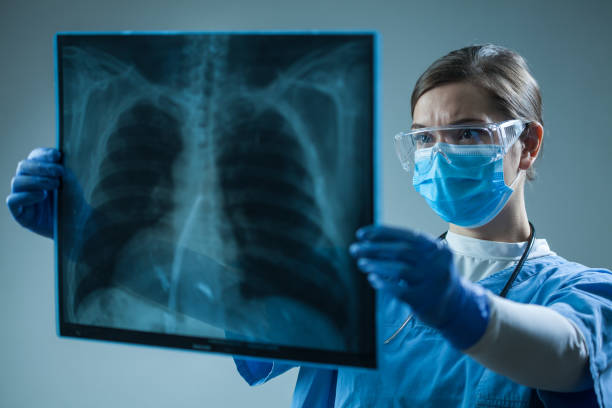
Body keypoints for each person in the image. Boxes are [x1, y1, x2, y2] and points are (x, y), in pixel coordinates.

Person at [7, 44, 612, 407]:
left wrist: (461, 308)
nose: (439, 154)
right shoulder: (366, 285)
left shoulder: (580, 293)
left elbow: (567, 356)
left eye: (468, 135)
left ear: (526, 145)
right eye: (425, 138)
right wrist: (85, 231)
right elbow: (218, 299)